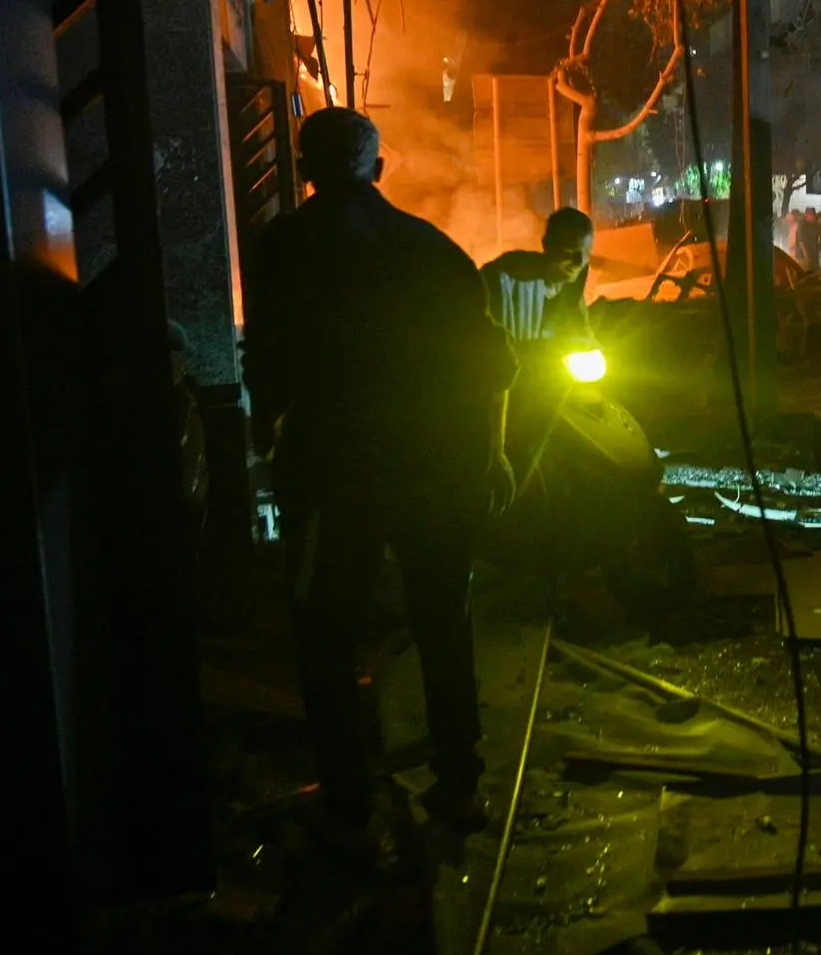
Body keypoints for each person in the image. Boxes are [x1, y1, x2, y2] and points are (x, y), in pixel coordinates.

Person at [244, 108, 517, 848]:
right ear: (379, 169)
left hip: (333, 471)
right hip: (435, 465)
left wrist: (266, 438)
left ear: (304, 170)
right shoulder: (432, 250)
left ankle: (348, 803)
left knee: (327, 630)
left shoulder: (283, 248)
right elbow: (493, 367)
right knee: (440, 622)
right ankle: (457, 786)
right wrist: (489, 456)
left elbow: (266, 370)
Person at [481, 207, 597, 473]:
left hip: (546, 399)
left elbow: (583, 335)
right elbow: (496, 371)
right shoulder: (505, 283)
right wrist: (496, 450)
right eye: (569, 250)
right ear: (547, 246)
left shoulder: (571, 284)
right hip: (505, 403)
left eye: (585, 252)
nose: (578, 261)